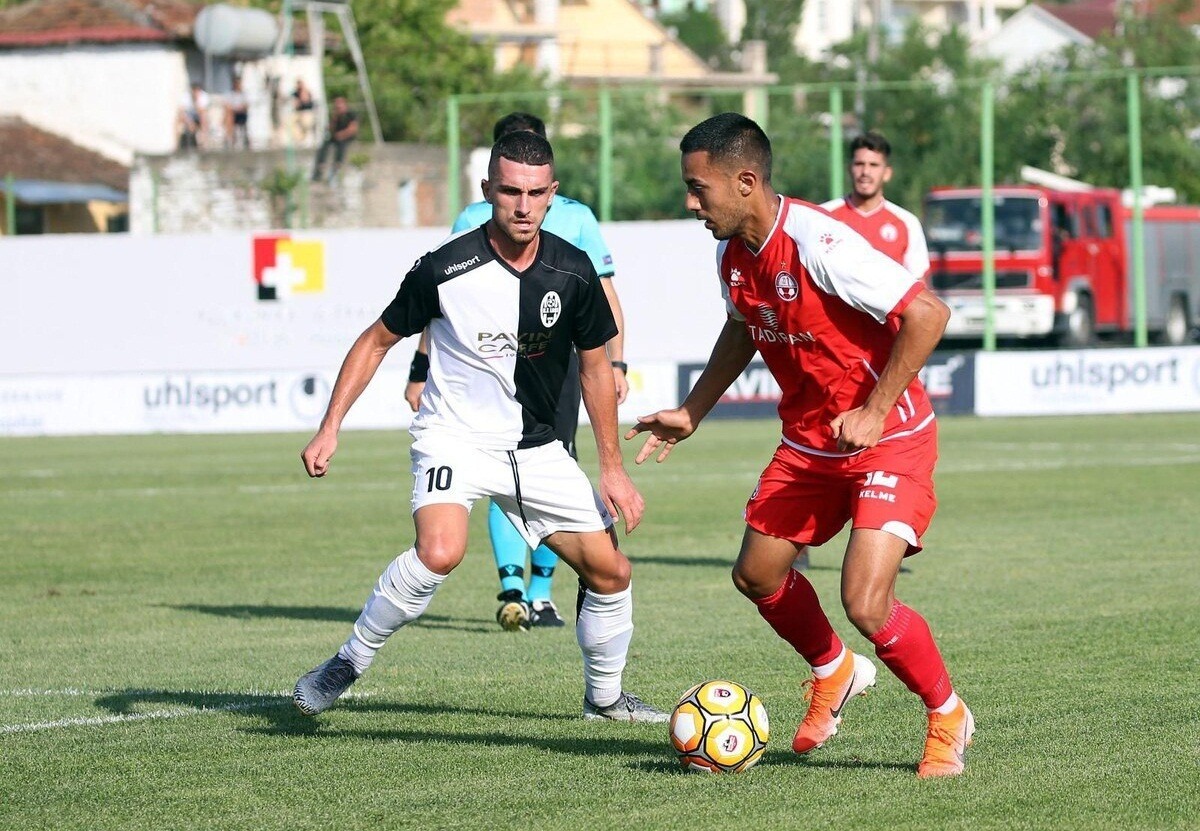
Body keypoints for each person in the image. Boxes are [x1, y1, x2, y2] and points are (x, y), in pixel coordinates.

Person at [627, 113, 972, 778]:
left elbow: (928, 313)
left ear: (746, 181)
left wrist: (873, 409)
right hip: (810, 444)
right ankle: (834, 668)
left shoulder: (820, 243)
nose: (690, 203)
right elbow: (743, 325)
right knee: (756, 573)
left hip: (888, 437)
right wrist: (693, 411)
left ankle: (948, 715)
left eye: (699, 190)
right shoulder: (732, 251)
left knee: (865, 599)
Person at [293, 129, 667, 724]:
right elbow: (375, 340)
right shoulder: (444, 268)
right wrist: (330, 426)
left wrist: (612, 471)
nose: (523, 206)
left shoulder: (573, 273)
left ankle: (604, 700)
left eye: (536, 193)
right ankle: (347, 661)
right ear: (487, 189)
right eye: (511, 191)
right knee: (441, 551)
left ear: (553, 195)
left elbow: (596, 371)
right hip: (455, 436)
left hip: (539, 449)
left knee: (611, 572)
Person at [405, 112, 629, 632]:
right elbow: (439, 304)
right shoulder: (470, 220)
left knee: (551, 469)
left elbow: (607, 295)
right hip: (483, 368)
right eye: (510, 187)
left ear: (549, 181)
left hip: (558, 365)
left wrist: (615, 360)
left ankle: (542, 592)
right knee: (494, 464)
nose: (523, 203)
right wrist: (422, 368)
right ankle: (512, 586)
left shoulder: (578, 219)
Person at [822, 131, 930, 279]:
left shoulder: (906, 223)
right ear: (849, 169)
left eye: (873, 165)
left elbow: (919, 284)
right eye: (859, 164)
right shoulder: (823, 217)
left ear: (887, 173)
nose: (865, 172)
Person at [311, 97, 359, 183]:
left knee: (341, 144)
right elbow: (330, 129)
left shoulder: (351, 114)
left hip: (346, 137)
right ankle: (321, 165)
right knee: (325, 144)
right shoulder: (336, 116)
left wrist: (342, 134)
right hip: (336, 136)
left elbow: (353, 129)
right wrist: (334, 118)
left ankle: (338, 164)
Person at [177, 83, 209, 151]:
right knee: (177, 120)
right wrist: (189, 122)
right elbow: (181, 111)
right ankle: (176, 145)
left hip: (199, 118)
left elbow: (202, 111)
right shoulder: (186, 96)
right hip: (188, 119)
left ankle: (203, 143)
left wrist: (196, 102)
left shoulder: (204, 96)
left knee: (203, 118)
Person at [224, 77, 250, 150]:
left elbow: (246, 106)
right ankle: (230, 137)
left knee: (230, 115)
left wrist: (238, 108)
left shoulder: (244, 94)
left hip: (241, 114)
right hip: (233, 114)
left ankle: (229, 137)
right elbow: (227, 105)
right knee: (229, 115)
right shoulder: (230, 94)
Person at [291, 79, 317, 147]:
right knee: (292, 123)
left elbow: (306, 101)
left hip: (307, 112)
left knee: (306, 122)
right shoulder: (295, 93)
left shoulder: (307, 92)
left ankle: (305, 139)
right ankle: (299, 140)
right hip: (298, 113)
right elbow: (294, 104)